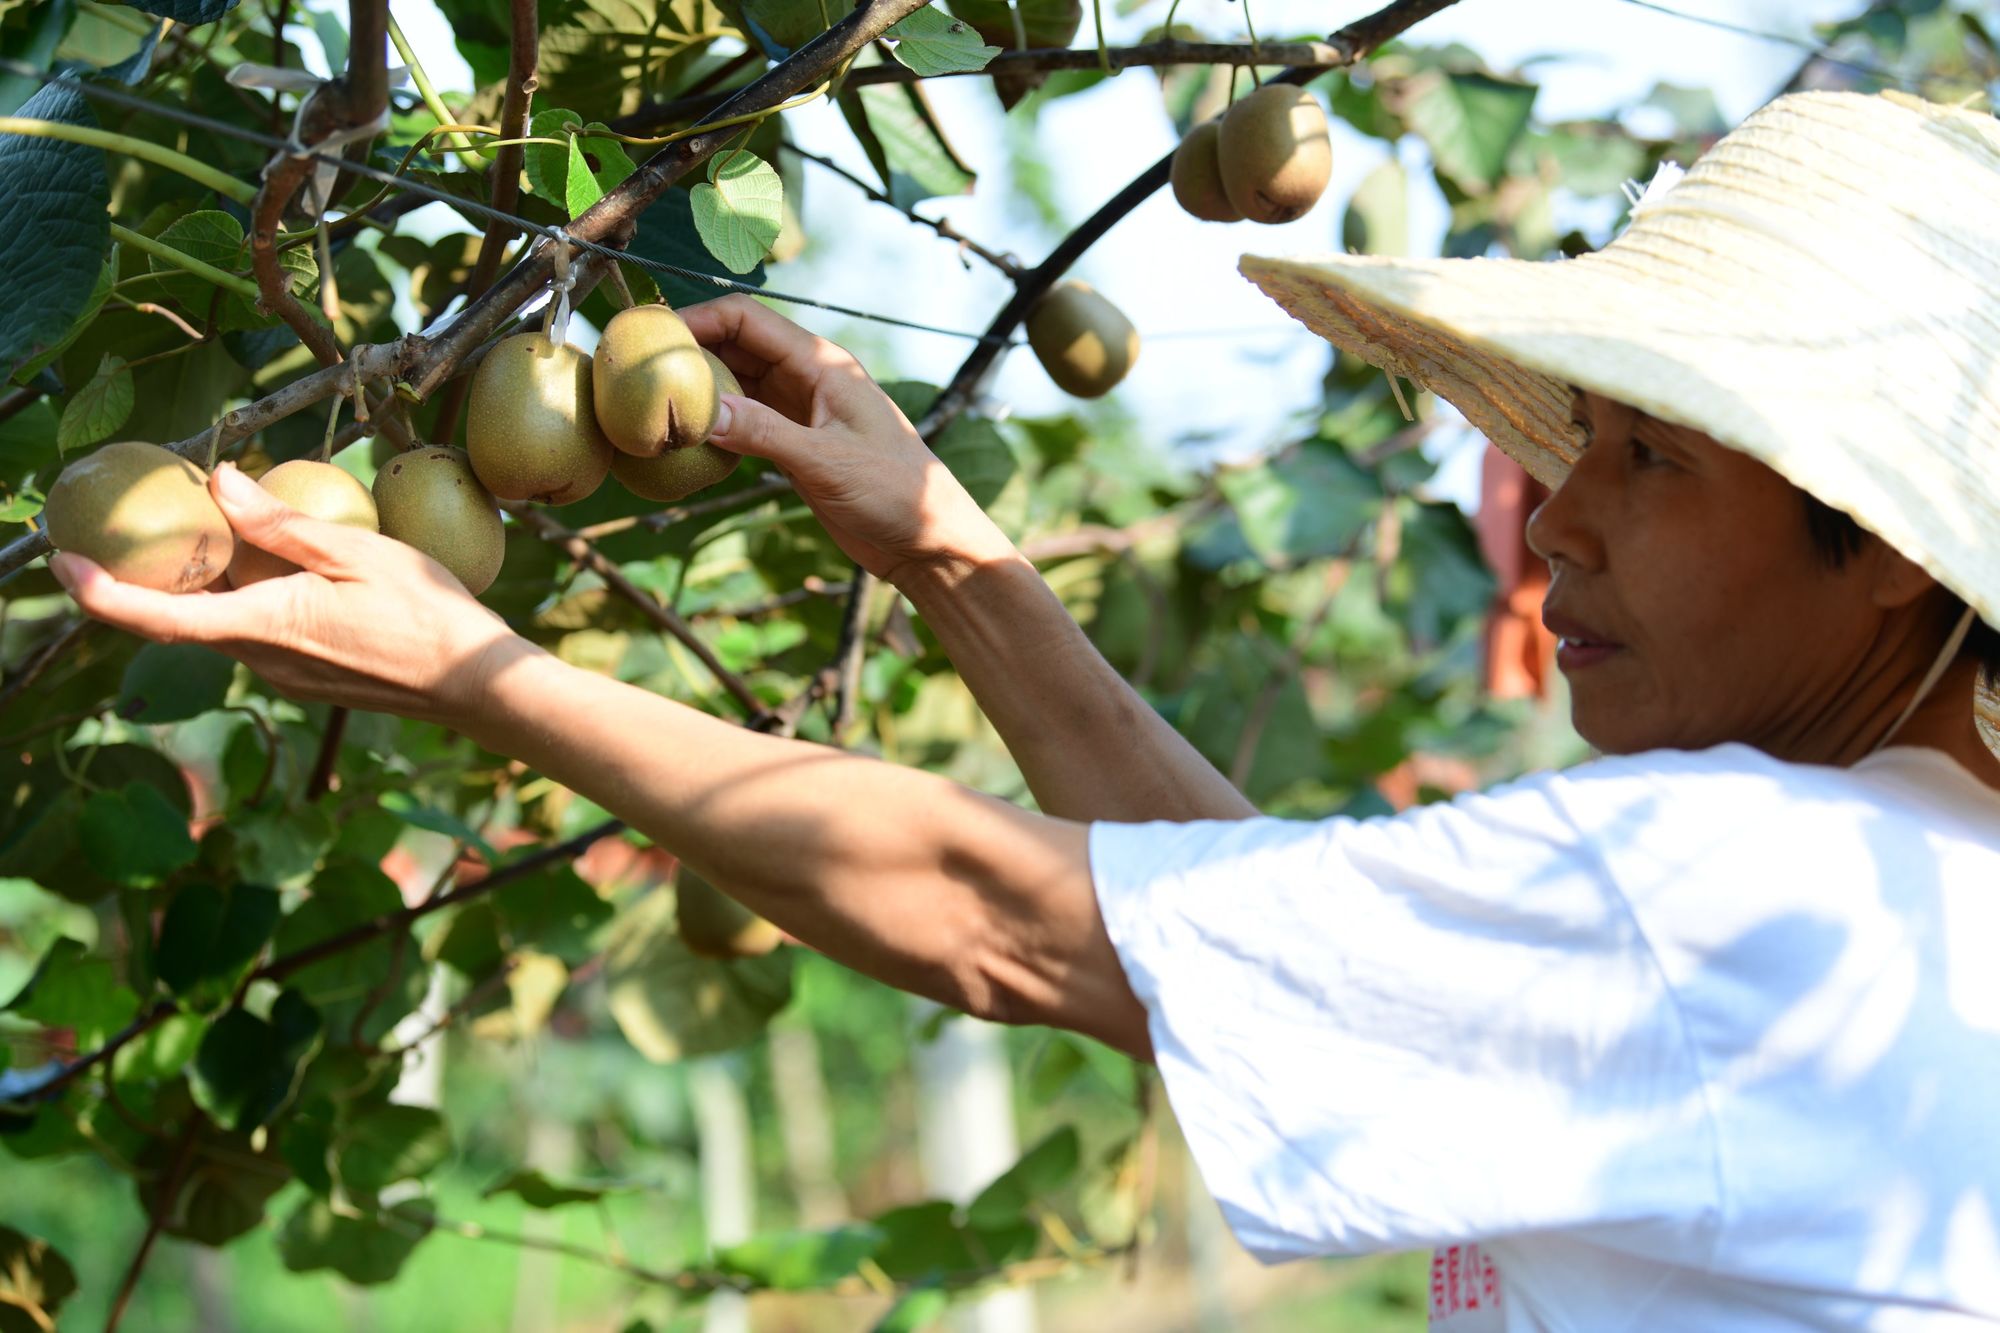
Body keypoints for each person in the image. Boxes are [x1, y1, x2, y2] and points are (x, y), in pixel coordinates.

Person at [50, 88, 2000, 1327]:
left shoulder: (1743, 887)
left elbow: (1009, 921)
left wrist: (465, 669)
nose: (1551, 517)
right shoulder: (1906, 889)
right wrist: (958, 566)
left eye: (1648, 458)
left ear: (1895, 550)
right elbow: (1246, 931)